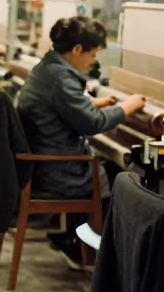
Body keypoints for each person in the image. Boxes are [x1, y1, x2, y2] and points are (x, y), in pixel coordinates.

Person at [17, 16, 146, 266]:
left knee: (103, 170)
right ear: (77, 50)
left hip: (42, 163)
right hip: (57, 171)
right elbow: (92, 124)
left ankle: (79, 242)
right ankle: (101, 255)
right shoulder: (62, 78)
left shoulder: (48, 68)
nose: (93, 61)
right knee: (120, 177)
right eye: (92, 54)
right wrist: (128, 107)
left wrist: (90, 103)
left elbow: (59, 104)